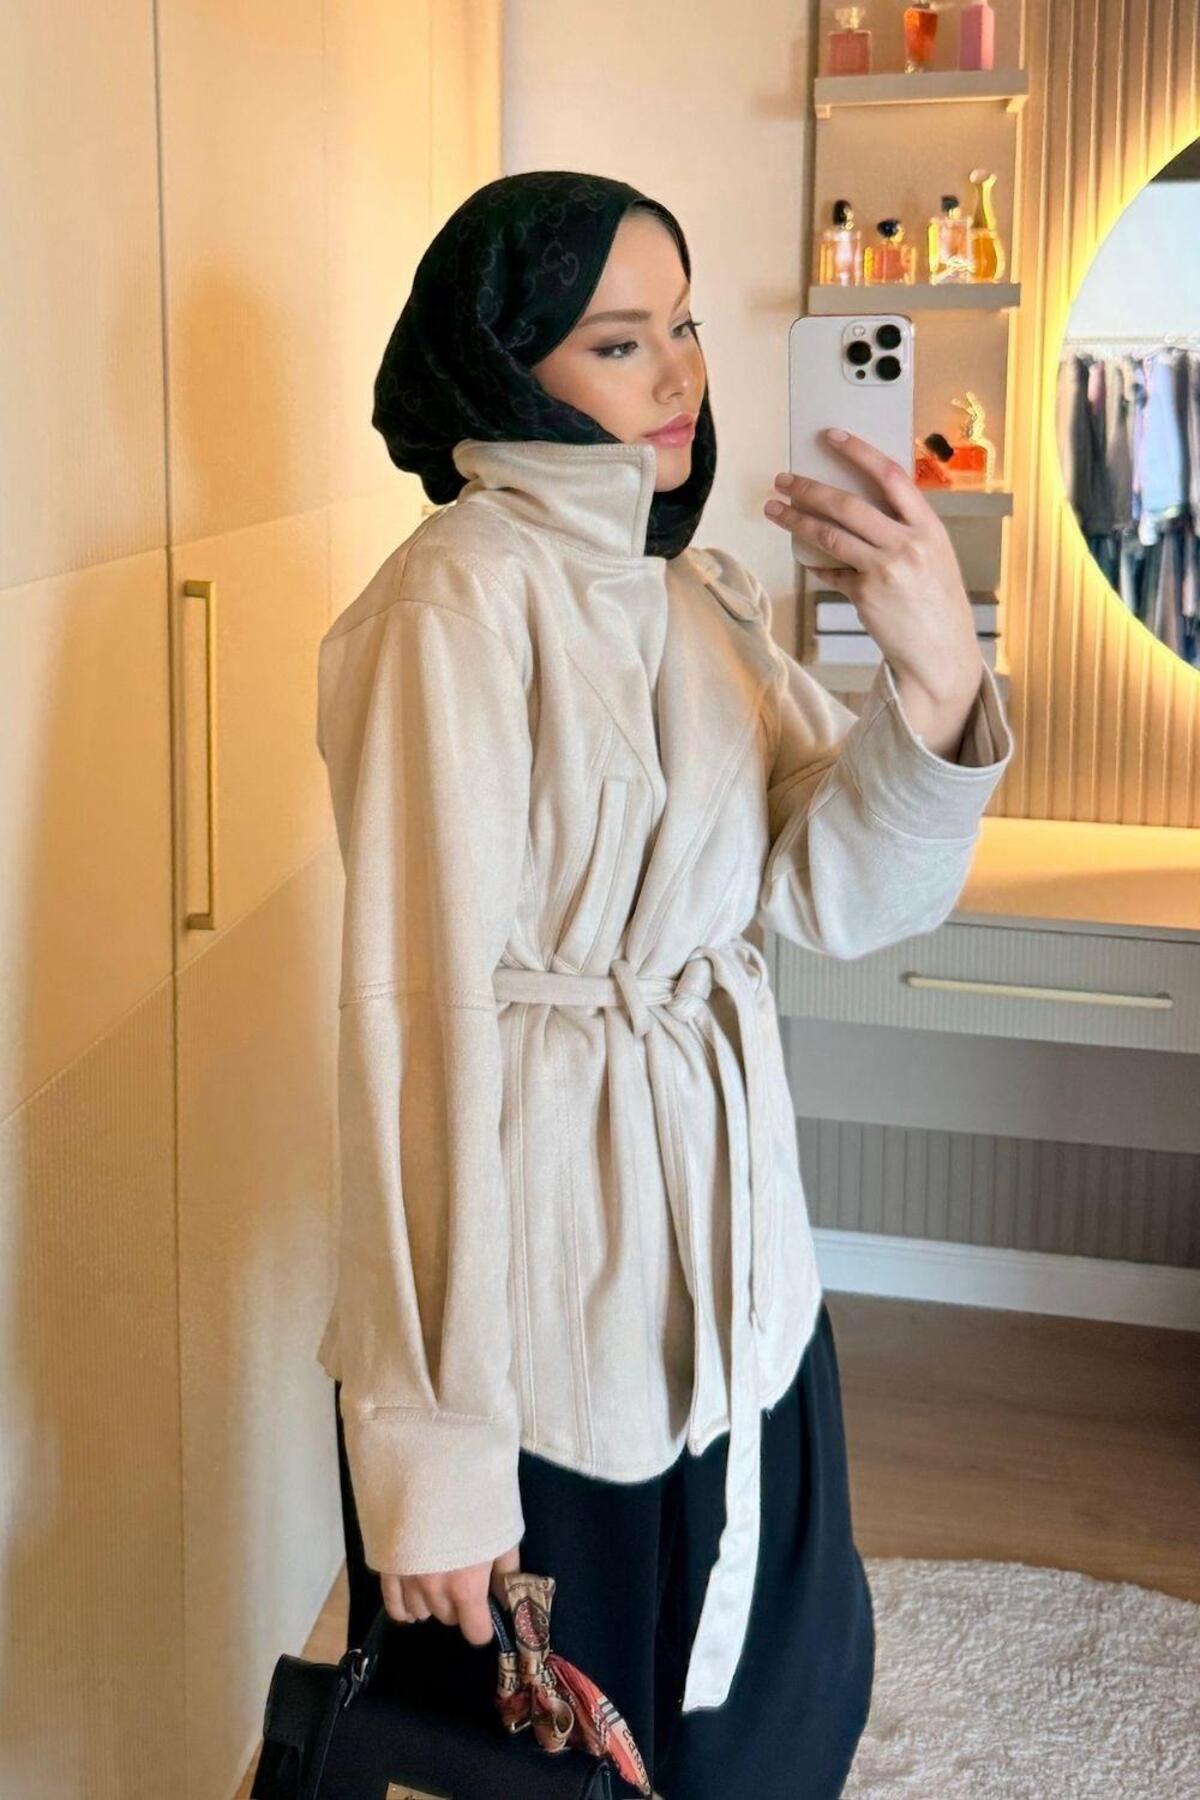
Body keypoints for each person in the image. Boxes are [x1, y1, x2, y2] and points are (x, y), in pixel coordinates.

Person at [316, 170, 1014, 1797]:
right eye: (620, 341)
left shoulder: (692, 590)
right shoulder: (454, 600)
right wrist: (437, 1459)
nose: (681, 373)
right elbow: (413, 1031)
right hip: (554, 1316)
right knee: (577, 1752)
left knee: (772, 1705)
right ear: (505, 368)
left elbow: (838, 891)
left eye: (684, 326)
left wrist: (935, 666)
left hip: (745, 1266)